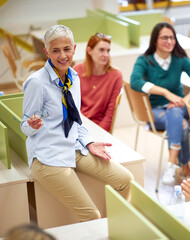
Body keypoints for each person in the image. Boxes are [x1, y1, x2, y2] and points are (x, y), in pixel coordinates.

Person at [20, 25, 133, 222]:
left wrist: (89, 143)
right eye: (55, 50)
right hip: (47, 157)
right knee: (91, 214)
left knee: (125, 179)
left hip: (73, 147)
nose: (62, 55)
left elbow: (75, 118)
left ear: (74, 49)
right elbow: (25, 127)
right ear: (47, 52)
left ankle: (117, 228)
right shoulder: (36, 82)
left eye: (66, 49)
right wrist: (32, 125)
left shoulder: (74, 77)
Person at [130, 22, 190, 188]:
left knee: (176, 110)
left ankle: (171, 163)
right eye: (164, 37)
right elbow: (135, 82)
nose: (169, 41)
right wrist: (165, 92)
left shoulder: (180, 60)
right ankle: (185, 169)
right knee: (183, 125)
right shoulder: (145, 60)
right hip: (156, 111)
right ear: (155, 40)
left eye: (172, 37)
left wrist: (186, 99)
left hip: (180, 106)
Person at [74, 33, 122, 132]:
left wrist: (98, 133)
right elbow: (73, 106)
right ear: (89, 50)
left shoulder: (116, 76)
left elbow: (110, 114)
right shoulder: (77, 71)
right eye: (101, 50)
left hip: (100, 129)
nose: (106, 55)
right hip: (79, 125)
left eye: (108, 51)